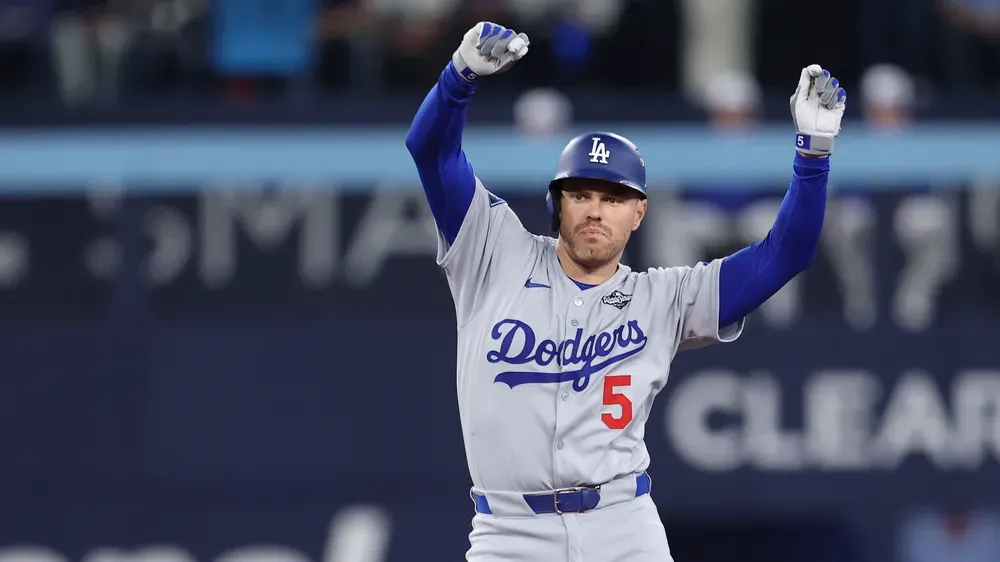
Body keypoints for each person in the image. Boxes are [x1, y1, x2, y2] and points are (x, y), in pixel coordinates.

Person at [404, 21, 846, 562]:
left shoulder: (664, 298)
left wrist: (814, 157)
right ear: (557, 204)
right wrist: (458, 78)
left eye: (613, 198)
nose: (595, 210)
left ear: (638, 213)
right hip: (508, 532)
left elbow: (786, 254)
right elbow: (431, 152)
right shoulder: (494, 254)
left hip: (621, 526)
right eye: (581, 194)